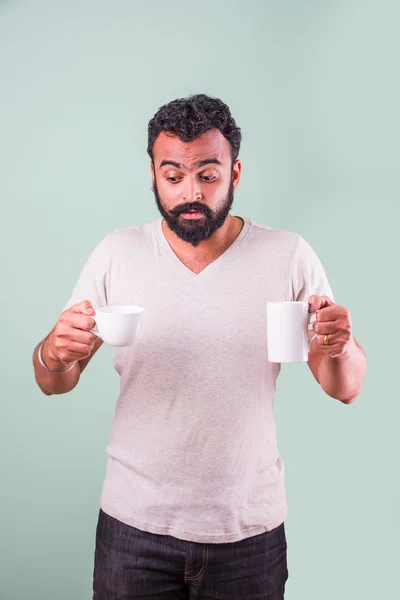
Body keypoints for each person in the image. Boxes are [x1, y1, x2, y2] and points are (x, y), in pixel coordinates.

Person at [32, 94, 367, 600]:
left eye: (207, 176)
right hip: (133, 528)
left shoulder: (287, 254)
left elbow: (345, 388)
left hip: (248, 532)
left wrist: (338, 347)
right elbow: (54, 381)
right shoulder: (116, 254)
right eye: (173, 176)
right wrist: (52, 354)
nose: (190, 192)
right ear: (152, 175)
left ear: (234, 173)